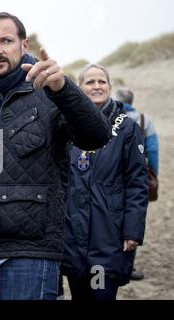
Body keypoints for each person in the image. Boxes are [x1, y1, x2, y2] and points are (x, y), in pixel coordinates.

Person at [0, 12, 111, 300]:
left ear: (24, 45)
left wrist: (64, 88)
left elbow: (96, 136)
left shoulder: (50, 94)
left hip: (29, 252)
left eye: (6, 40)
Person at [61, 64, 148, 300]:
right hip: (73, 236)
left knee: (100, 294)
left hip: (109, 236)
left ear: (109, 87)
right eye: (90, 82)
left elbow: (137, 182)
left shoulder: (126, 127)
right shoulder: (65, 125)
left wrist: (133, 229)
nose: (96, 86)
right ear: (79, 89)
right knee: (80, 295)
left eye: (102, 81)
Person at [115, 86, 159, 281]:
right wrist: (152, 175)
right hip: (137, 177)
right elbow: (153, 151)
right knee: (133, 219)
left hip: (113, 177)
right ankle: (128, 266)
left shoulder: (112, 116)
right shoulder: (144, 120)